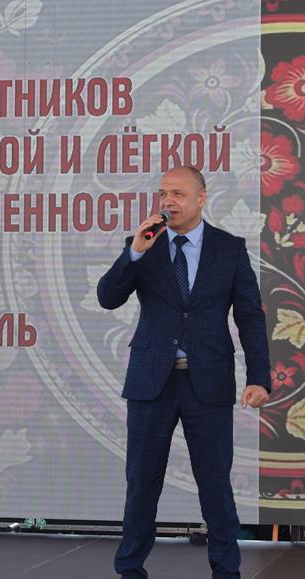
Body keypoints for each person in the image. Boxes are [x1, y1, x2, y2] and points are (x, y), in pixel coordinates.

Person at [97, 166, 271, 579]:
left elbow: (250, 316)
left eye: (177, 193)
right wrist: (134, 252)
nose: (167, 201)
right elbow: (107, 298)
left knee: (215, 484)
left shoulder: (229, 249)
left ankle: (226, 571)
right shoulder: (144, 244)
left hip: (207, 380)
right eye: (163, 193)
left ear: (201, 197)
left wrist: (259, 377)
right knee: (142, 482)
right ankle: (129, 569)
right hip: (150, 382)